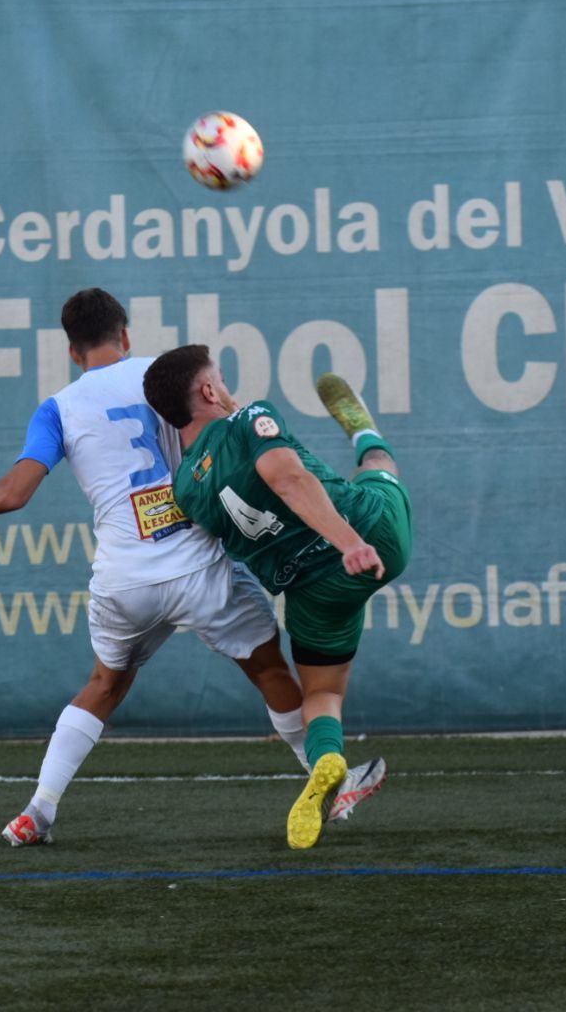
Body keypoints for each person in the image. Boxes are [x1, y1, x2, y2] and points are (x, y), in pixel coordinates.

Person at [0, 289, 384, 846]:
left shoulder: (58, 407)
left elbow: (14, 495)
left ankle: (37, 812)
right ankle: (330, 783)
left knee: (104, 685)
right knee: (272, 672)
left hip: (124, 579)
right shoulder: (163, 378)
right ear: (126, 335)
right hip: (199, 568)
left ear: (70, 351)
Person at [142, 346, 412, 849]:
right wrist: (349, 543)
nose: (224, 388)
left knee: (322, 696)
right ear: (208, 391)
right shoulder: (252, 415)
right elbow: (286, 478)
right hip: (371, 532)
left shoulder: (184, 489)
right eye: (219, 380)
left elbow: (235, 465)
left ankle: (328, 757)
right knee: (380, 465)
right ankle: (362, 429)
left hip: (309, 590)